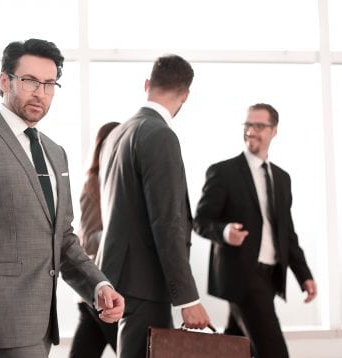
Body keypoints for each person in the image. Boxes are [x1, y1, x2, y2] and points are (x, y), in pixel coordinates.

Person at [0, 38, 124, 358]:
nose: (40, 92)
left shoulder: (56, 153)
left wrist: (99, 286)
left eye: (50, 83)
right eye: (29, 81)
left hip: (43, 319)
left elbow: (63, 237)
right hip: (1, 316)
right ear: (4, 81)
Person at [96, 54, 211, 358]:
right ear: (186, 95)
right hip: (146, 284)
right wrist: (187, 300)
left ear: (147, 85)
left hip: (117, 279)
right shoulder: (160, 135)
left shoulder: (117, 134)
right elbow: (167, 221)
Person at [193, 103, 318, 358]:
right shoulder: (223, 172)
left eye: (259, 126)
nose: (251, 131)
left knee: (236, 349)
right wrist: (225, 231)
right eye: (248, 125)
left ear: (274, 131)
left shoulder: (282, 179)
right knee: (274, 352)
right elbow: (200, 220)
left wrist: (304, 274)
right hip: (243, 275)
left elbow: (287, 234)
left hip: (270, 276)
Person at [69, 122, 120, 358]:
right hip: (101, 287)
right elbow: (87, 239)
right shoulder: (95, 182)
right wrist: (125, 239)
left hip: (101, 292)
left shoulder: (120, 182)